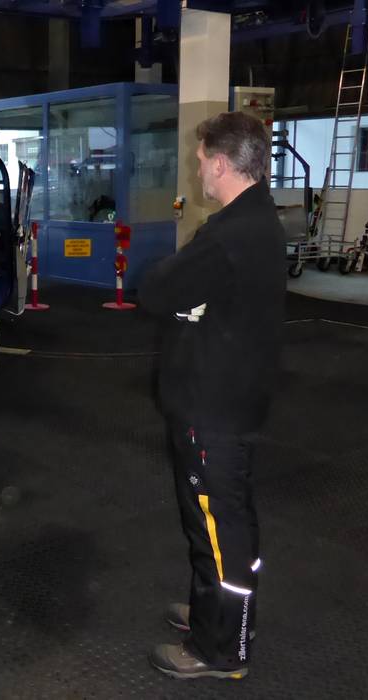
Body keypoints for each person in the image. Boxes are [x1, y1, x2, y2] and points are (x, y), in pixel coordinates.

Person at [136, 112, 285, 680]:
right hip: (231, 400)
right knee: (226, 522)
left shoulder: (229, 236)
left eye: (201, 160)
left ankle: (221, 649)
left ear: (221, 164)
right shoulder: (258, 219)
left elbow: (156, 289)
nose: (197, 169)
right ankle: (221, 615)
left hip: (213, 409)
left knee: (218, 529)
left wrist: (176, 288)